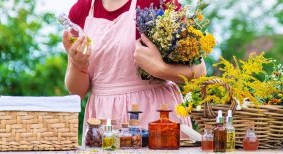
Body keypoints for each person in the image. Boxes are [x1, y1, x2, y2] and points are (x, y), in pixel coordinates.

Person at [62, 0, 206, 132]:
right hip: (104, 120)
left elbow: (199, 71)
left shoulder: (158, 3)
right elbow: (76, 92)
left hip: (156, 116)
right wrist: (78, 64)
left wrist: (161, 69)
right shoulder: (81, 10)